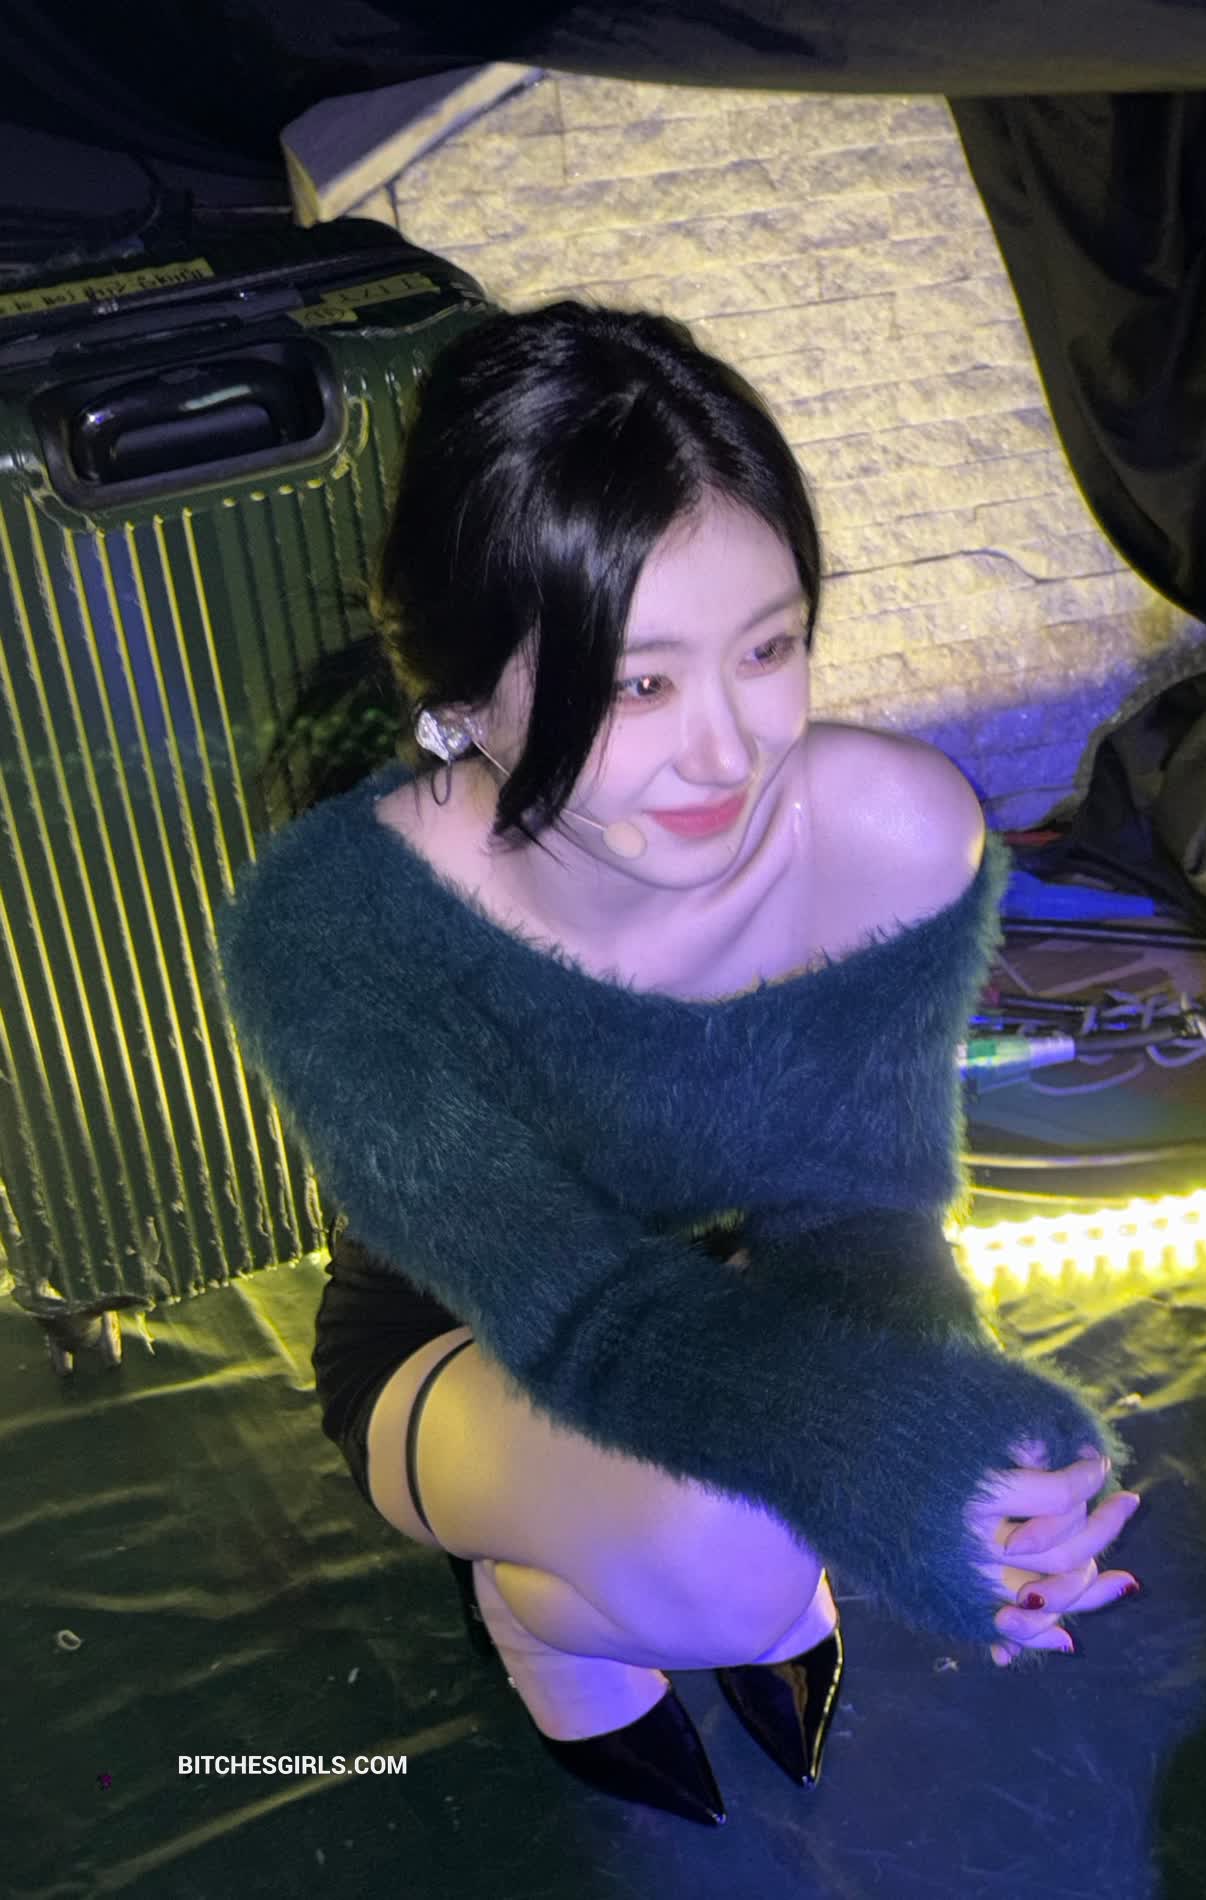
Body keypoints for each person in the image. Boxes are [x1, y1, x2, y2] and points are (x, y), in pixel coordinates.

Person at [215, 300, 1141, 1829]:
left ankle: (707, 1573)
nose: (729, 751)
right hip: (465, 1340)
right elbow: (579, 1312)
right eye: (638, 683)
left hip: (738, 1302)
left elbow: (858, 1210)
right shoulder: (328, 932)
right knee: (732, 1565)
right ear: (459, 700)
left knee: (829, 1510)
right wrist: (862, 1453)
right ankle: (541, 1615)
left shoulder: (893, 832)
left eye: (768, 647)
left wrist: (966, 1440)